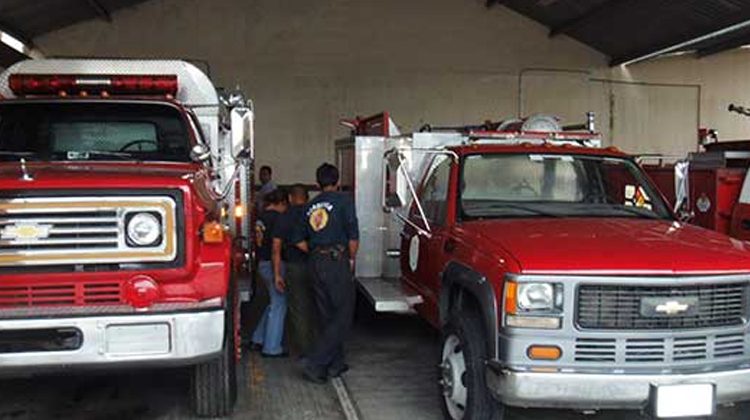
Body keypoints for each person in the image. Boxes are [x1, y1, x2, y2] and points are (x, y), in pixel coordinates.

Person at [292, 163, 359, 383]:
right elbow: (352, 235)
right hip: (335, 260)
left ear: (318, 183)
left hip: (315, 262)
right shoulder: (344, 201)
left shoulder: (309, 205)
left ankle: (335, 364)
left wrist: (314, 250)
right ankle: (316, 362)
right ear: (337, 181)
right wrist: (350, 259)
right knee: (343, 315)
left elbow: (299, 240)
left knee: (326, 315)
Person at [272, 184, 317, 357]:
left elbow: (276, 249)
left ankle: (305, 351)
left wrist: (277, 275)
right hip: (317, 266)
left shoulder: (284, 217)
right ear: (307, 198)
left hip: (294, 267)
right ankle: (321, 346)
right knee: (318, 306)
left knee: (299, 310)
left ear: (290, 198)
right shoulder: (315, 214)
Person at [251, 189, 289, 357]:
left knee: (274, 302)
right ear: (281, 203)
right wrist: (277, 273)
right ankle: (272, 347)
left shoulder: (261, 217)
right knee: (279, 304)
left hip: (262, 262)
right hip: (274, 264)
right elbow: (276, 247)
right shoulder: (279, 218)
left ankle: (258, 338)